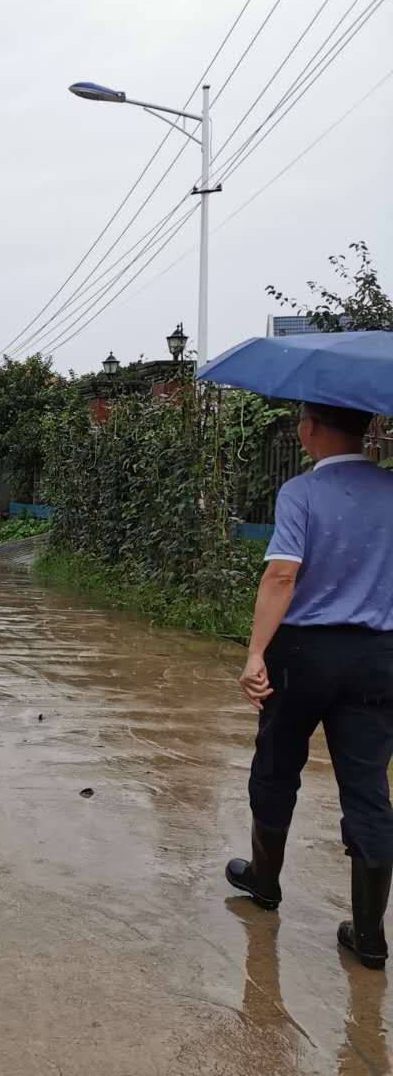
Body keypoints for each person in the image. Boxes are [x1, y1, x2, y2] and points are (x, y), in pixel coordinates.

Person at [225, 402, 393, 970]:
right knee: (368, 787)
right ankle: (369, 936)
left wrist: (254, 654)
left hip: (302, 652)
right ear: (367, 427)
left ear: (309, 428)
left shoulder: (301, 492)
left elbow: (281, 573)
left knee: (276, 763)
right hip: (377, 657)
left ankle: (264, 882)